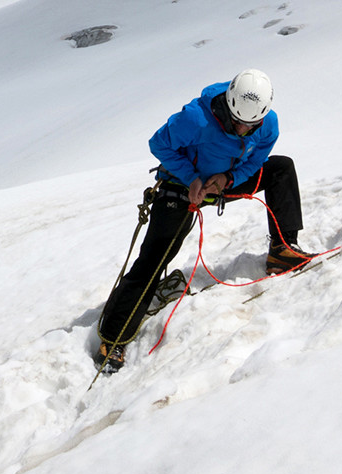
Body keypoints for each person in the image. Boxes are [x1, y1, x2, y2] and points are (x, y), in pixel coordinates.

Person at [93, 69, 312, 373]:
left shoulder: (268, 124)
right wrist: (191, 178)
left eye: (251, 125)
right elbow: (159, 144)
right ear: (228, 106)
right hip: (182, 187)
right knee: (156, 256)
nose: (243, 131)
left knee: (280, 169)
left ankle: (282, 250)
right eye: (237, 123)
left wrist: (229, 178)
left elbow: (256, 160)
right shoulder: (195, 118)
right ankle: (114, 337)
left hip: (223, 181)